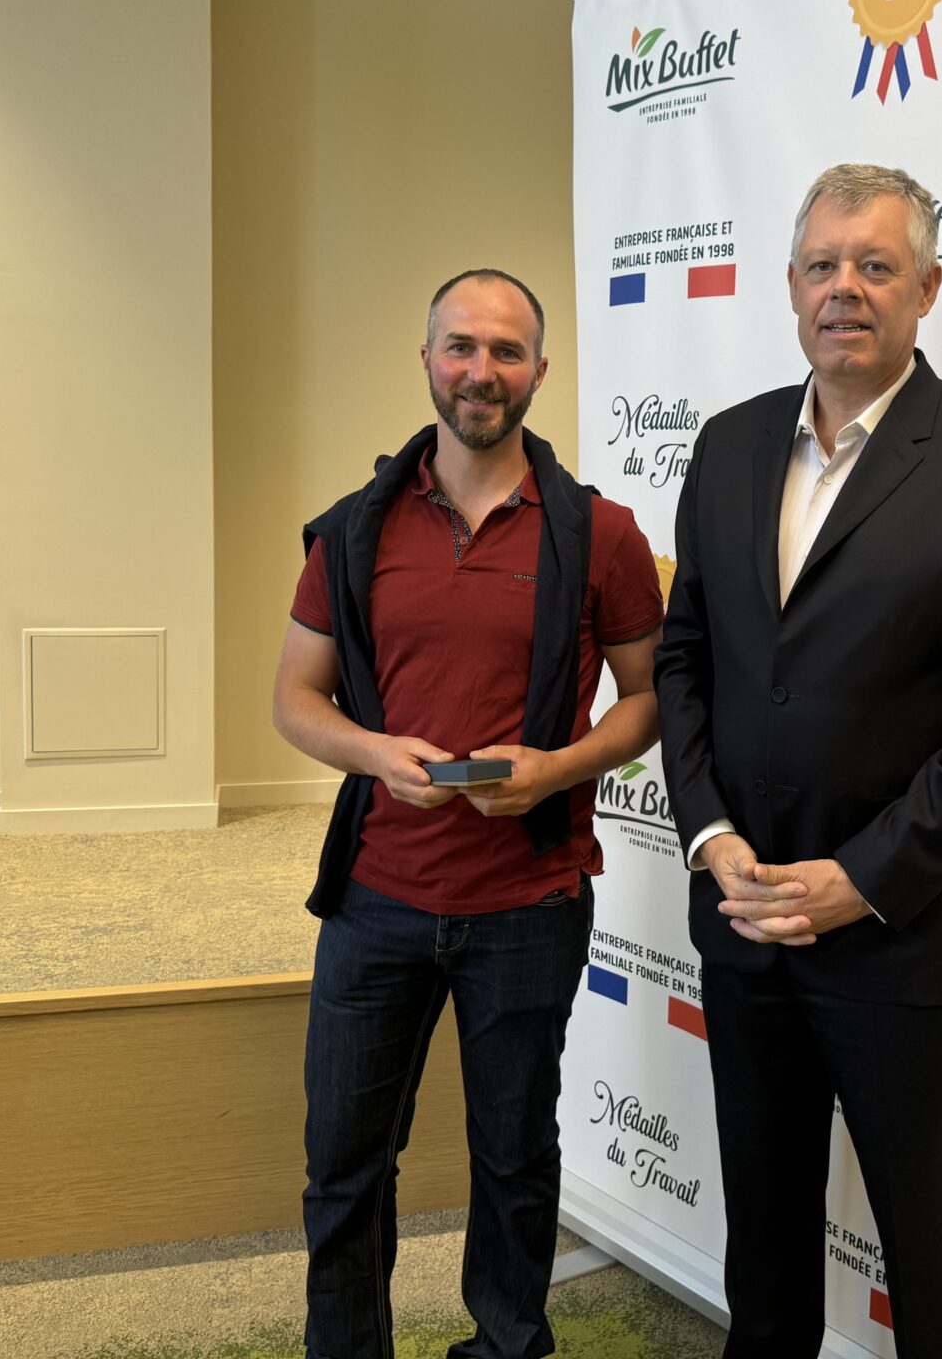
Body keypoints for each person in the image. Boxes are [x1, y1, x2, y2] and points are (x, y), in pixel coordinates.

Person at [653, 164, 942, 1358]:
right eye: (823, 265)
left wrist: (861, 878)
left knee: (928, 1265)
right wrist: (711, 837)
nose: (845, 288)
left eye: (875, 266)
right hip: (742, 922)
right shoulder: (727, 447)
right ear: (789, 287)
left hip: (901, 941)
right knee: (764, 1254)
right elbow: (685, 661)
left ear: (924, 290)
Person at [273, 267, 664, 1359]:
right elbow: (295, 700)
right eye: (460, 346)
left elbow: (648, 703)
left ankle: (504, 1348)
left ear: (539, 370)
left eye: (504, 351)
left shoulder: (600, 535)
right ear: (427, 360)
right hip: (374, 903)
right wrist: (374, 754)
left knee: (513, 1161)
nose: (480, 371)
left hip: (527, 905)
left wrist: (555, 771)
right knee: (344, 1164)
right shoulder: (353, 531)